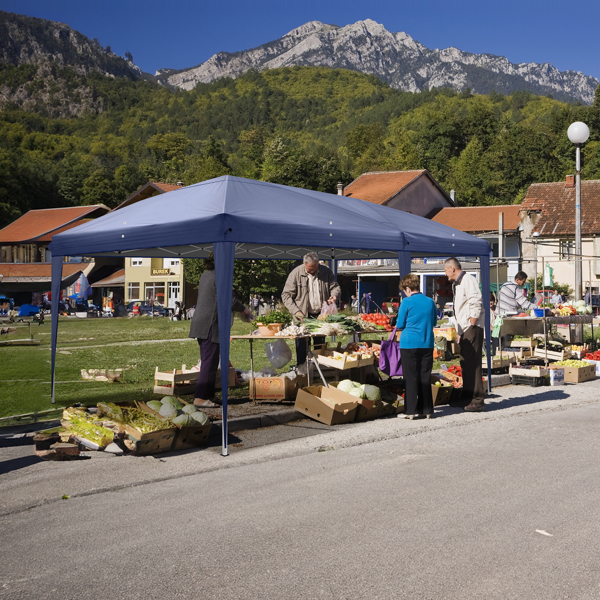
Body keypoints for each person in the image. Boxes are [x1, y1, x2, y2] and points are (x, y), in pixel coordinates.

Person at [189, 256, 252, 407]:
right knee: (209, 362)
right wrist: (244, 309)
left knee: (212, 361)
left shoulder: (206, 275)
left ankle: (209, 395)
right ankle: (200, 397)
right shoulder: (219, 277)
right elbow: (228, 299)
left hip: (203, 323)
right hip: (210, 324)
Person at [281, 252, 341, 367]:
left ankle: (318, 369)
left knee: (319, 345)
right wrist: (296, 311)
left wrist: (334, 295)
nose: (312, 271)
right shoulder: (295, 273)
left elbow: (335, 287)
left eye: (314, 268)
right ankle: (302, 370)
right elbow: (286, 295)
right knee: (301, 345)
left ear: (318, 264)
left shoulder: (326, 271)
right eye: (309, 269)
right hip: (302, 316)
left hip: (320, 316)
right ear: (304, 264)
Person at [444, 257, 486, 412]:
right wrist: (460, 330)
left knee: (472, 363)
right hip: (465, 327)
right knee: (465, 361)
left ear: (452, 268)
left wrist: (472, 322)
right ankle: (467, 396)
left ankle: (477, 400)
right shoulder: (458, 283)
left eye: (445, 270)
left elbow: (476, 300)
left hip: (471, 326)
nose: (445, 274)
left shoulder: (468, 279)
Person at [396, 273, 437, 419]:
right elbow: (434, 322)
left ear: (407, 288)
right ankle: (426, 410)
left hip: (409, 343)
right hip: (427, 342)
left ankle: (411, 411)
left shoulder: (406, 302)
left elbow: (400, 324)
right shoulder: (430, 301)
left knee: (411, 377)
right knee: (425, 376)